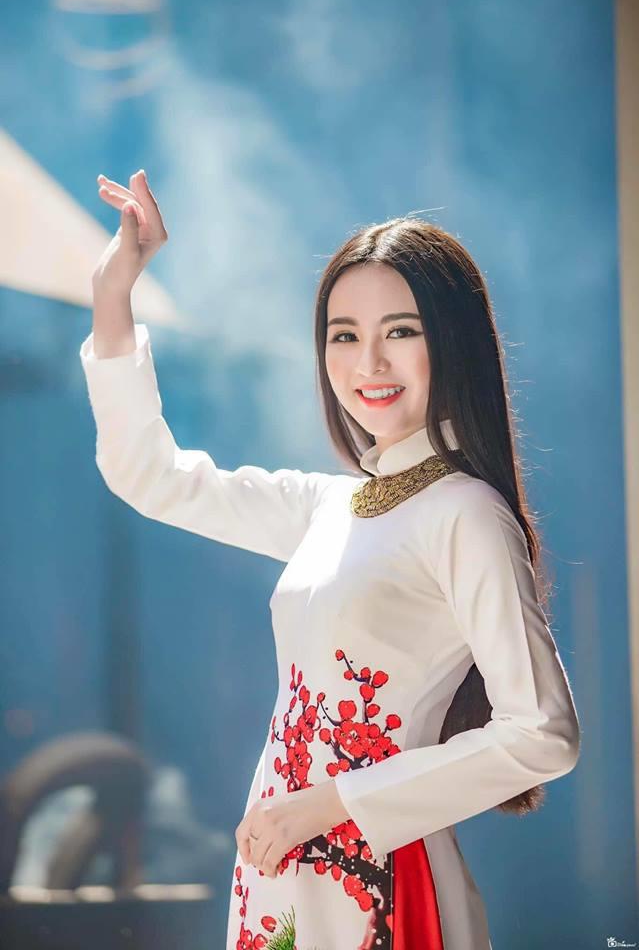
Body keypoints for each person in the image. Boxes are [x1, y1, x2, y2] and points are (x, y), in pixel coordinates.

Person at [80, 170, 581, 950]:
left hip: (375, 875)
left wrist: (327, 805)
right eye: (343, 335)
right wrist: (114, 294)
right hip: (283, 865)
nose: (368, 362)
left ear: (454, 342)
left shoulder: (463, 513)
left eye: (401, 331)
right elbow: (152, 477)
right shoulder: (332, 506)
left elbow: (541, 732)